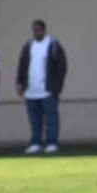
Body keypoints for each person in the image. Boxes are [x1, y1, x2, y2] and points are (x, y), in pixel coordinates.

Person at [16, 19, 67, 155]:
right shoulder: (28, 45)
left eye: (39, 30)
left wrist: (57, 86)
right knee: (34, 119)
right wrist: (20, 83)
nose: (36, 32)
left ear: (44, 30)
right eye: (34, 30)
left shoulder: (53, 44)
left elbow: (61, 67)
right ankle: (36, 142)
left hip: (48, 90)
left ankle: (52, 142)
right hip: (31, 90)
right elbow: (22, 65)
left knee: (51, 118)